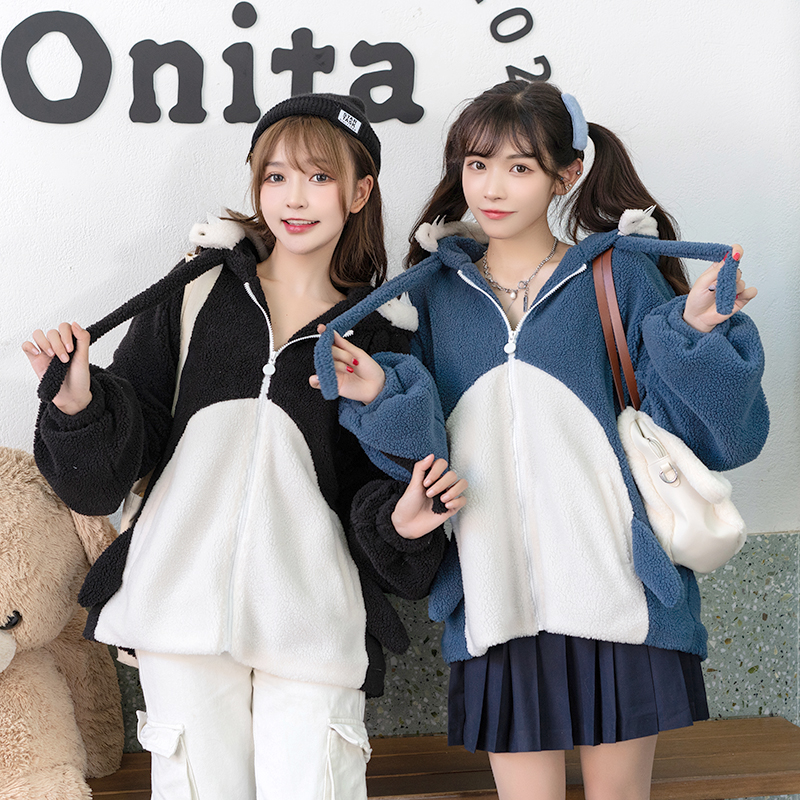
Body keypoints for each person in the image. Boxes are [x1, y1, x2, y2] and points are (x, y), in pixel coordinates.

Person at [311, 80, 769, 800]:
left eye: (519, 167)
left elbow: (712, 435)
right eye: (477, 164)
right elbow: (425, 464)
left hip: (620, 597)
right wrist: (381, 397)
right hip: (496, 604)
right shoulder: (430, 294)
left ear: (567, 173)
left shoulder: (620, 277)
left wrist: (696, 334)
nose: (491, 188)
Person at [22, 92, 466, 800]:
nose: (295, 198)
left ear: (359, 192)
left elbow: (376, 488)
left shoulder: (382, 331)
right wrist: (77, 403)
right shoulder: (196, 291)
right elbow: (113, 470)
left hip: (313, 618)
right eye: (276, 176)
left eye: (319, 177)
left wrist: (403, 520)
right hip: (178, 604)